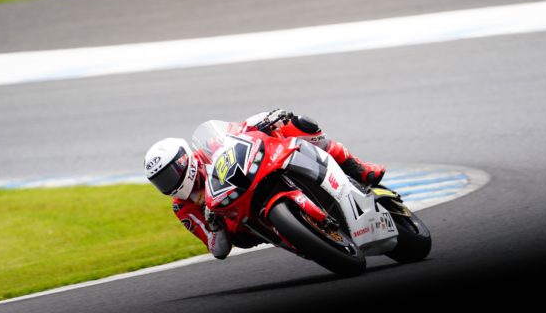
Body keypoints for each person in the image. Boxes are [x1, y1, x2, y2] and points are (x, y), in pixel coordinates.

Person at [144, 109, 386, 260]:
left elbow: (237, 130)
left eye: (169, 174)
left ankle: (358, 168)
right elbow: (217, 249)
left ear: (183, 160)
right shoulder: (182, 207)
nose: (169, 183)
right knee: (240, 239)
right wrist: (215, 226)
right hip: (244, 218)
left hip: (258, 170)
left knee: (298, 125)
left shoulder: (209, 146)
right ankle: (298, 236)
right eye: (161, 182)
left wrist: (262, 120)